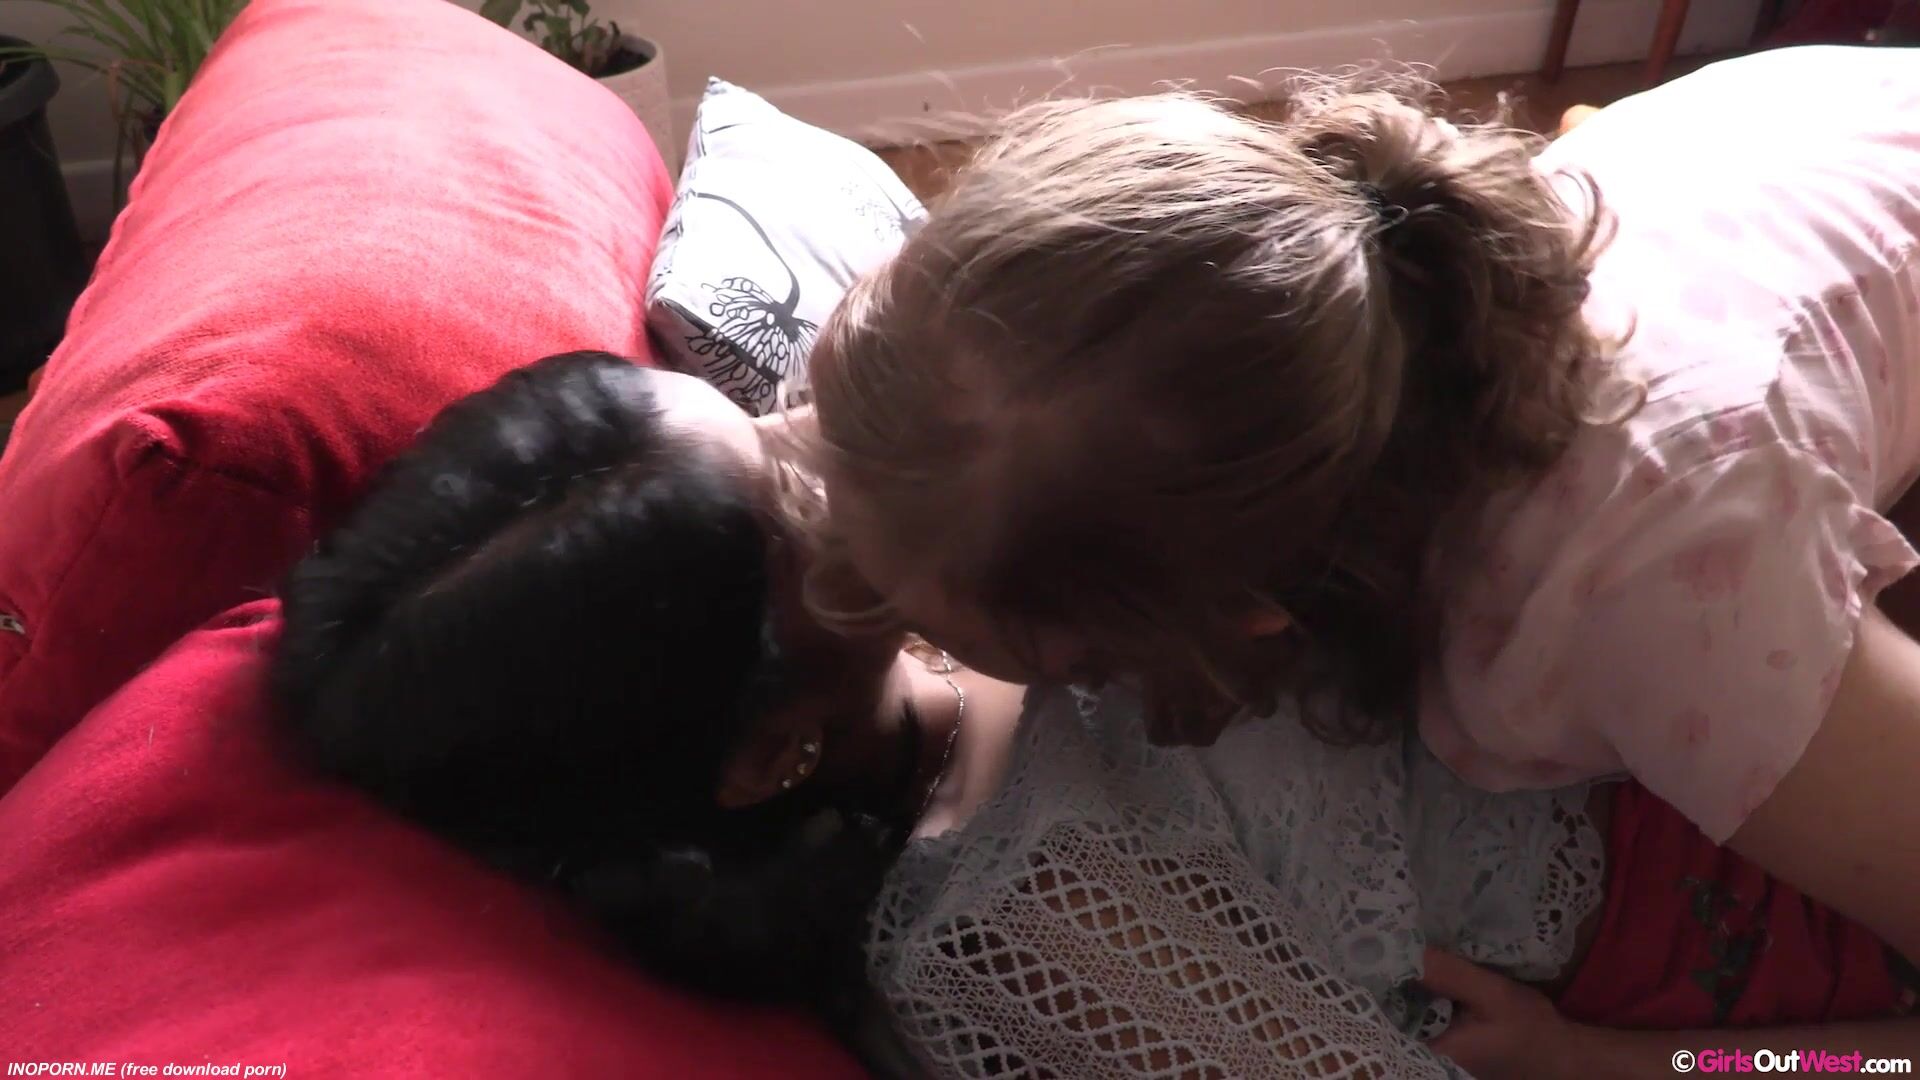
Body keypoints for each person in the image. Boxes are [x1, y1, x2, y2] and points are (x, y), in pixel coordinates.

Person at [273, 352, 1917, 1078]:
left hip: (1703, 668)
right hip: (1757, 960)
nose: (831, 424)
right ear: (772, 749)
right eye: (801, 494)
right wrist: (1600, 1068)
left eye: (757, 413)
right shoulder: (1027, 929)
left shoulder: (948, 570)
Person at [794, 46, 1920, 972]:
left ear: (1246, 615)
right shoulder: (1316, 296)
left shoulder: (1658, 587)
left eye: (933, 627)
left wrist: (1618, 1070)